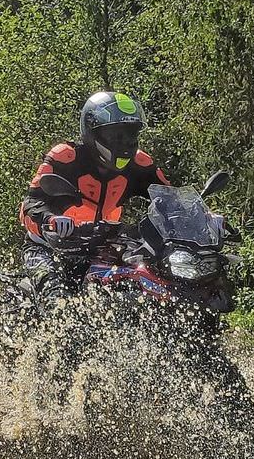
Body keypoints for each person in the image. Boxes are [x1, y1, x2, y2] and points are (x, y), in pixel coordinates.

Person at [19, 91, 170, 306]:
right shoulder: (66, 158)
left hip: (104, 248)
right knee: (56, 300)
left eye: (130, 135)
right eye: (117, 136)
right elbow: (30, 204)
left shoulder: (140, 164)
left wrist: (203, 219)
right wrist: (50, 221)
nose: (126, 144)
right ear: (93, 133)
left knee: (146, 286)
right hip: (49, 247)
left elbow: (170, 199)